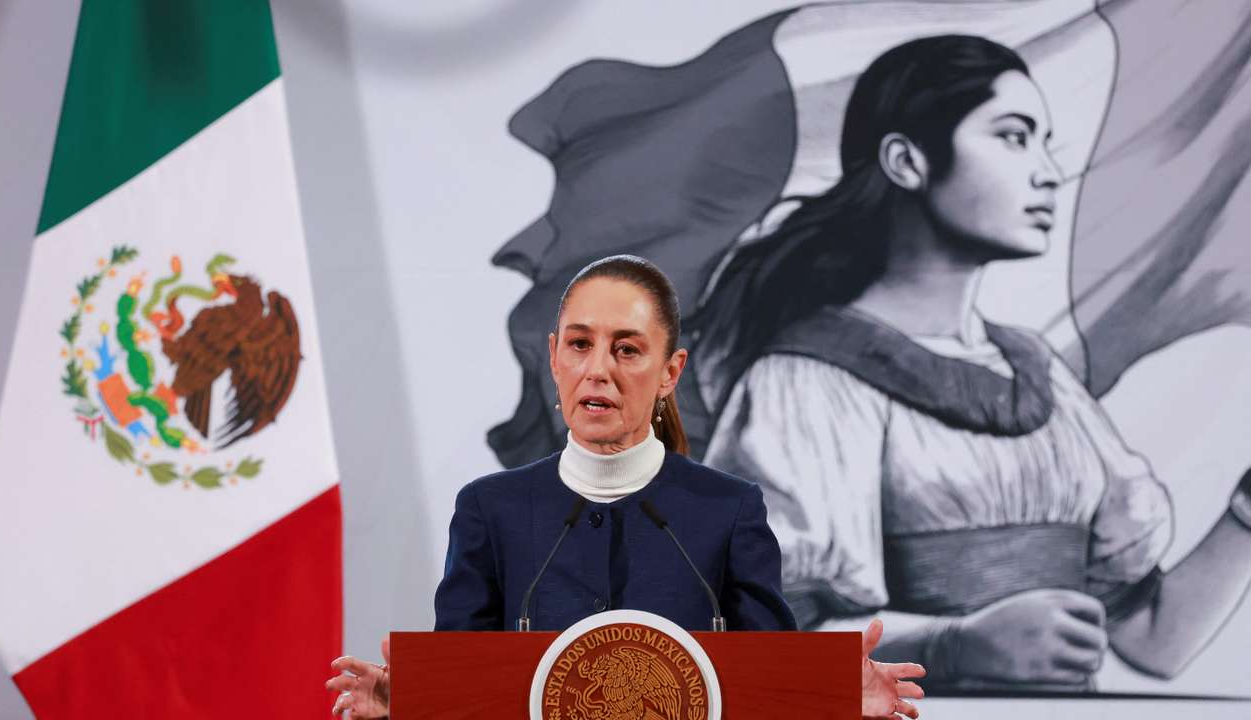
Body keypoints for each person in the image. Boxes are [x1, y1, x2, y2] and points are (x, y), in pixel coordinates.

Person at [698, 34, 1251, 691]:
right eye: (1014, 137)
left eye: (1046, 142)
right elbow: (756, 652)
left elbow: (1152, 639)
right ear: (906, 161)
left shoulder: (1038, 372)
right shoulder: (805, 382)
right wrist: (952, 646)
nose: (1047, 170)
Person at [327, 255, 927, 718]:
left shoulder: (728, 510)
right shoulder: (491, 509)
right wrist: (408, 704)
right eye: (581, 344)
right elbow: (464, 687)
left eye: (628, 350)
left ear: (671, 372)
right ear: (555, 357)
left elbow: (765, 685)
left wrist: (828, 695)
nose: (599, 370)